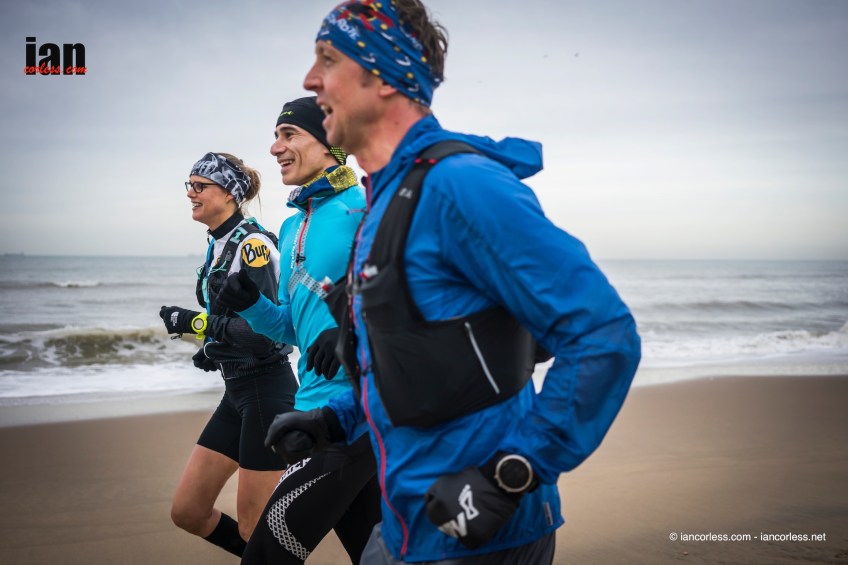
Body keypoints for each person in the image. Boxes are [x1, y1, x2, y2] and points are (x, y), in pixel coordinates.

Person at [258, 1, 643, 563]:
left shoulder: (462, 186)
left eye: (328, 59)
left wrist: (511, 474)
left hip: (483, 536)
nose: (310, 79)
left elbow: (604, 334)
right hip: (405, 523)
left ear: (383, 76)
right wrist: (335, 420)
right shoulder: (383, 204)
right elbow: (418, 362)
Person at [215, 96, 381, 564]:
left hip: (355, 411)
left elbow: (407, 300)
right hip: (310, 410)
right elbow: (292, 328)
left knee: (265, 556)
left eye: (289, 135)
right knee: (377, 557)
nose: (275, 148)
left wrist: (353, 330)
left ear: (329, 142)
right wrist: (251, 305)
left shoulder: (366, 208)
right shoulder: (290, 228)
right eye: (275, 136)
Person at [159, 152, 298, 557]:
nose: (191, 193)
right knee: (188, 511)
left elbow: (265, 335)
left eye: (200, 186)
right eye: (189, 185)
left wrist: (195, 323)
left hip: (267, 394)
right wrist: (214, 350)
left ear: (230, 193)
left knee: (256, 528)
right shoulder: (218, 243)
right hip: (235, 393)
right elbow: (232, 319)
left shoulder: (253, 245)